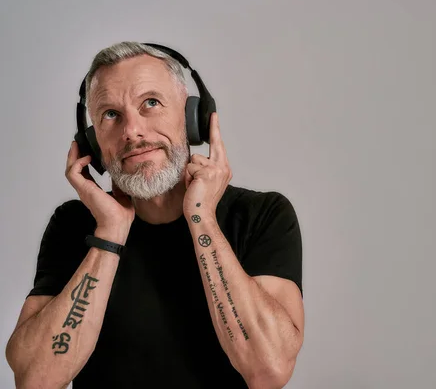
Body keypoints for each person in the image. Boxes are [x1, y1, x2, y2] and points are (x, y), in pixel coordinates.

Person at [5, 41, 304, 389]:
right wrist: (109, 234)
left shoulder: (261, 215)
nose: (132, 130)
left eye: (151, 103)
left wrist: (201, 217)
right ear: (93, 142)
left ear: (194, 119)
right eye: (111, 115)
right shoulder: (74, 225)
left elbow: (268, 371)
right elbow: (35, 379)